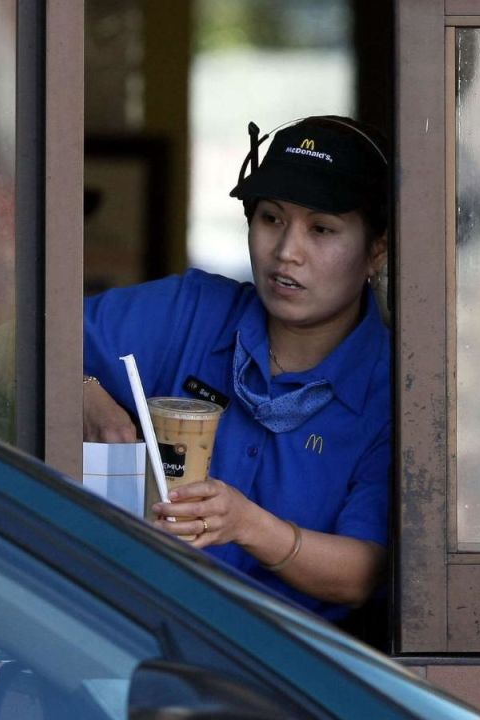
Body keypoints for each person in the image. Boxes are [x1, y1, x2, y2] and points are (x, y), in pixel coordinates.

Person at [83, 116, 391, 624]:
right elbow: (13, 335)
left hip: (284, 667)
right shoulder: (192, 311)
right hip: (135, 631)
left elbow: (360, 573)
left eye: (321, 228)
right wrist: (83, 389)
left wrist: (247, 524)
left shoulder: (396, 388)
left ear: (375, 250)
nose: (286, 252)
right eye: (271, 218)